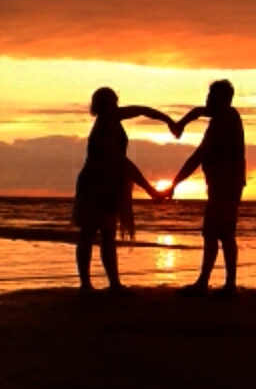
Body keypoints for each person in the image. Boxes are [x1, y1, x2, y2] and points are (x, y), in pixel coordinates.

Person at [72, 87, 172, 293]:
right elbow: (123, 163)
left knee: (108, 234)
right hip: (93, 184)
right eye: (111, 102)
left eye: (116, 102)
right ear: (102, 106)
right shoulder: (103, 129)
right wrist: (151, 190)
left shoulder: (114, 118)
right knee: (88, 233)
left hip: (109, 184)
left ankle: (114, 283)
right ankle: (86, 284)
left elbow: (142, 110)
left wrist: (168, 120)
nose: (116, 106)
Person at [166, 79, 246, 296]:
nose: (207, 101)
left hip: (226, 185)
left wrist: (174, 183)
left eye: (211, 97)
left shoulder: (224, 121)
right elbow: (199, 111)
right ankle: (207, 282)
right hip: (222, 184)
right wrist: (181, 123)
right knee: (212, 232)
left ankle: (227, 285)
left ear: (223, 100)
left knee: (223, 233)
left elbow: (199, 155)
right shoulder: (226, 116)